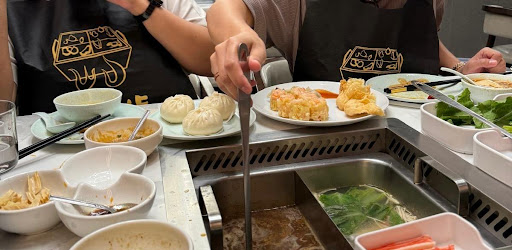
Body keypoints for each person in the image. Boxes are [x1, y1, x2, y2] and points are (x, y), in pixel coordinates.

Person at [206, 0, 507, 99]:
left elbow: (417, 43)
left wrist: (460, 69)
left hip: (418, 142)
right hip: (323, 146)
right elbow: (226, 8)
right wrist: (239, 36)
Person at [0, 0, 214, 114]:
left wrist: (141, 6)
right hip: (53, 157)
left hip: (167, 137)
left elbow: (209, 60)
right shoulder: (11, 9)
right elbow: (2, 110)